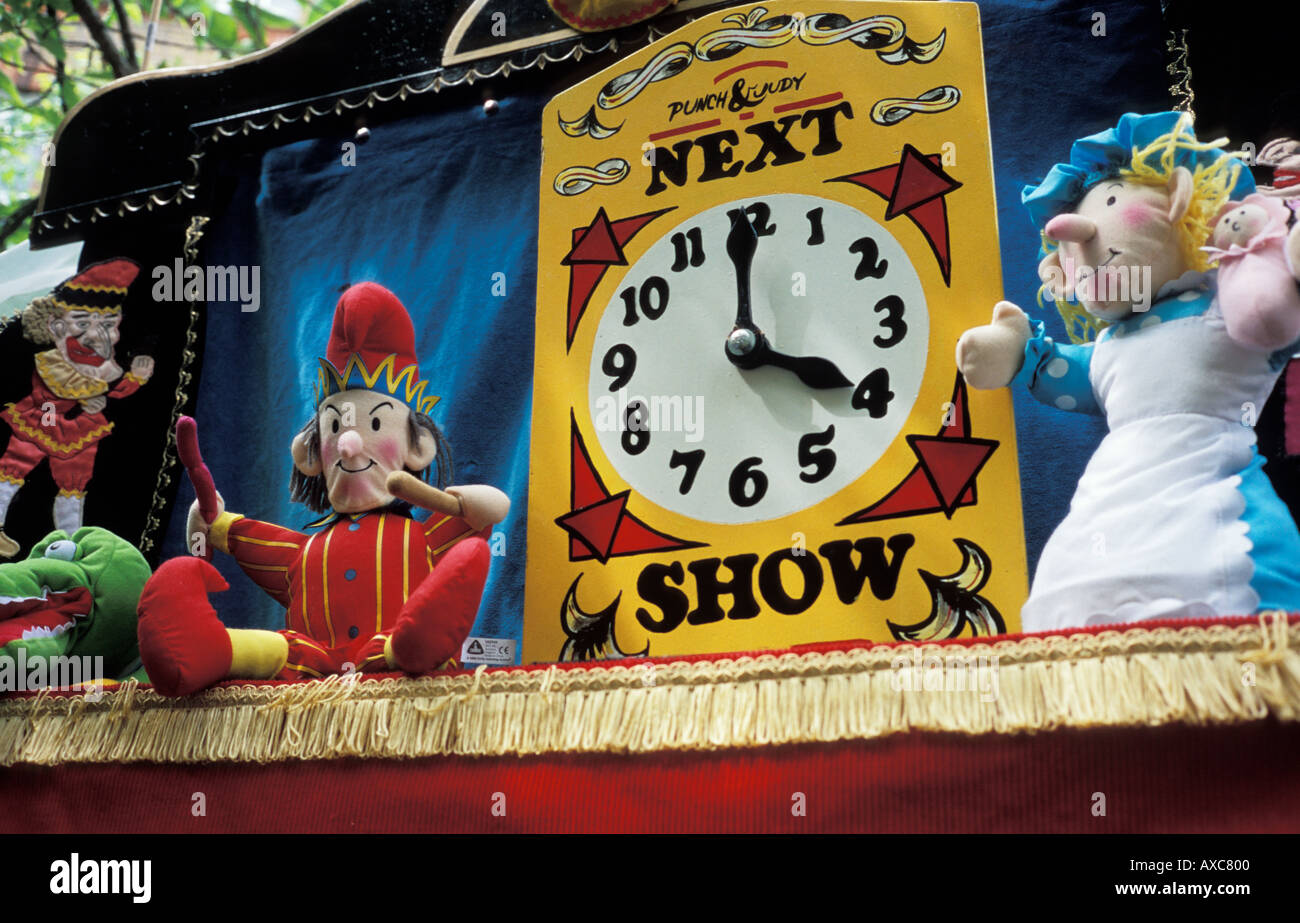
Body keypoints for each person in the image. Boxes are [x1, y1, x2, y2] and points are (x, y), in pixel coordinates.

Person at [956, 111, 1300, 630]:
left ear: (1186, 205)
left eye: (1114, 200)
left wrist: (1272, 258)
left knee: (1230, 586)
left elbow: (1270, 316)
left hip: (1212, 490)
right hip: (1107, 503)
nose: (1079, 233)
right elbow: (1060, 371)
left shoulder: (1223, 301)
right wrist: (1017, 347)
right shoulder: (1108, 346)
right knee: (1076, 604)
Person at [137, 282, 509, 695]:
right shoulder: (304, 553)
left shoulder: (422, 538)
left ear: (418, 448)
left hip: (392, 671)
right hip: (310, 672)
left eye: (373, 425)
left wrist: (463, 502)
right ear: (309, 453)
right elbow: (254, 540)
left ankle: (416, 645)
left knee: (402, 643)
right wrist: (217, 524)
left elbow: (489, 509)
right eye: (335, 426)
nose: (348, 443)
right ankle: (203, 649)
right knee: (277, 648)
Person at [0, 259, 153, 557]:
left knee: (74, 483)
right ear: (56, 325)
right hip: (42, 417)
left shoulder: (102, 365)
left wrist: (134, 379)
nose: (94, 335)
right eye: (82, 323)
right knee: (15, 466)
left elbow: (109, 391)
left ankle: (72, 548)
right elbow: (57, 387)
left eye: (108, 325)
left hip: (80, 427)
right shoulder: (53, 359)